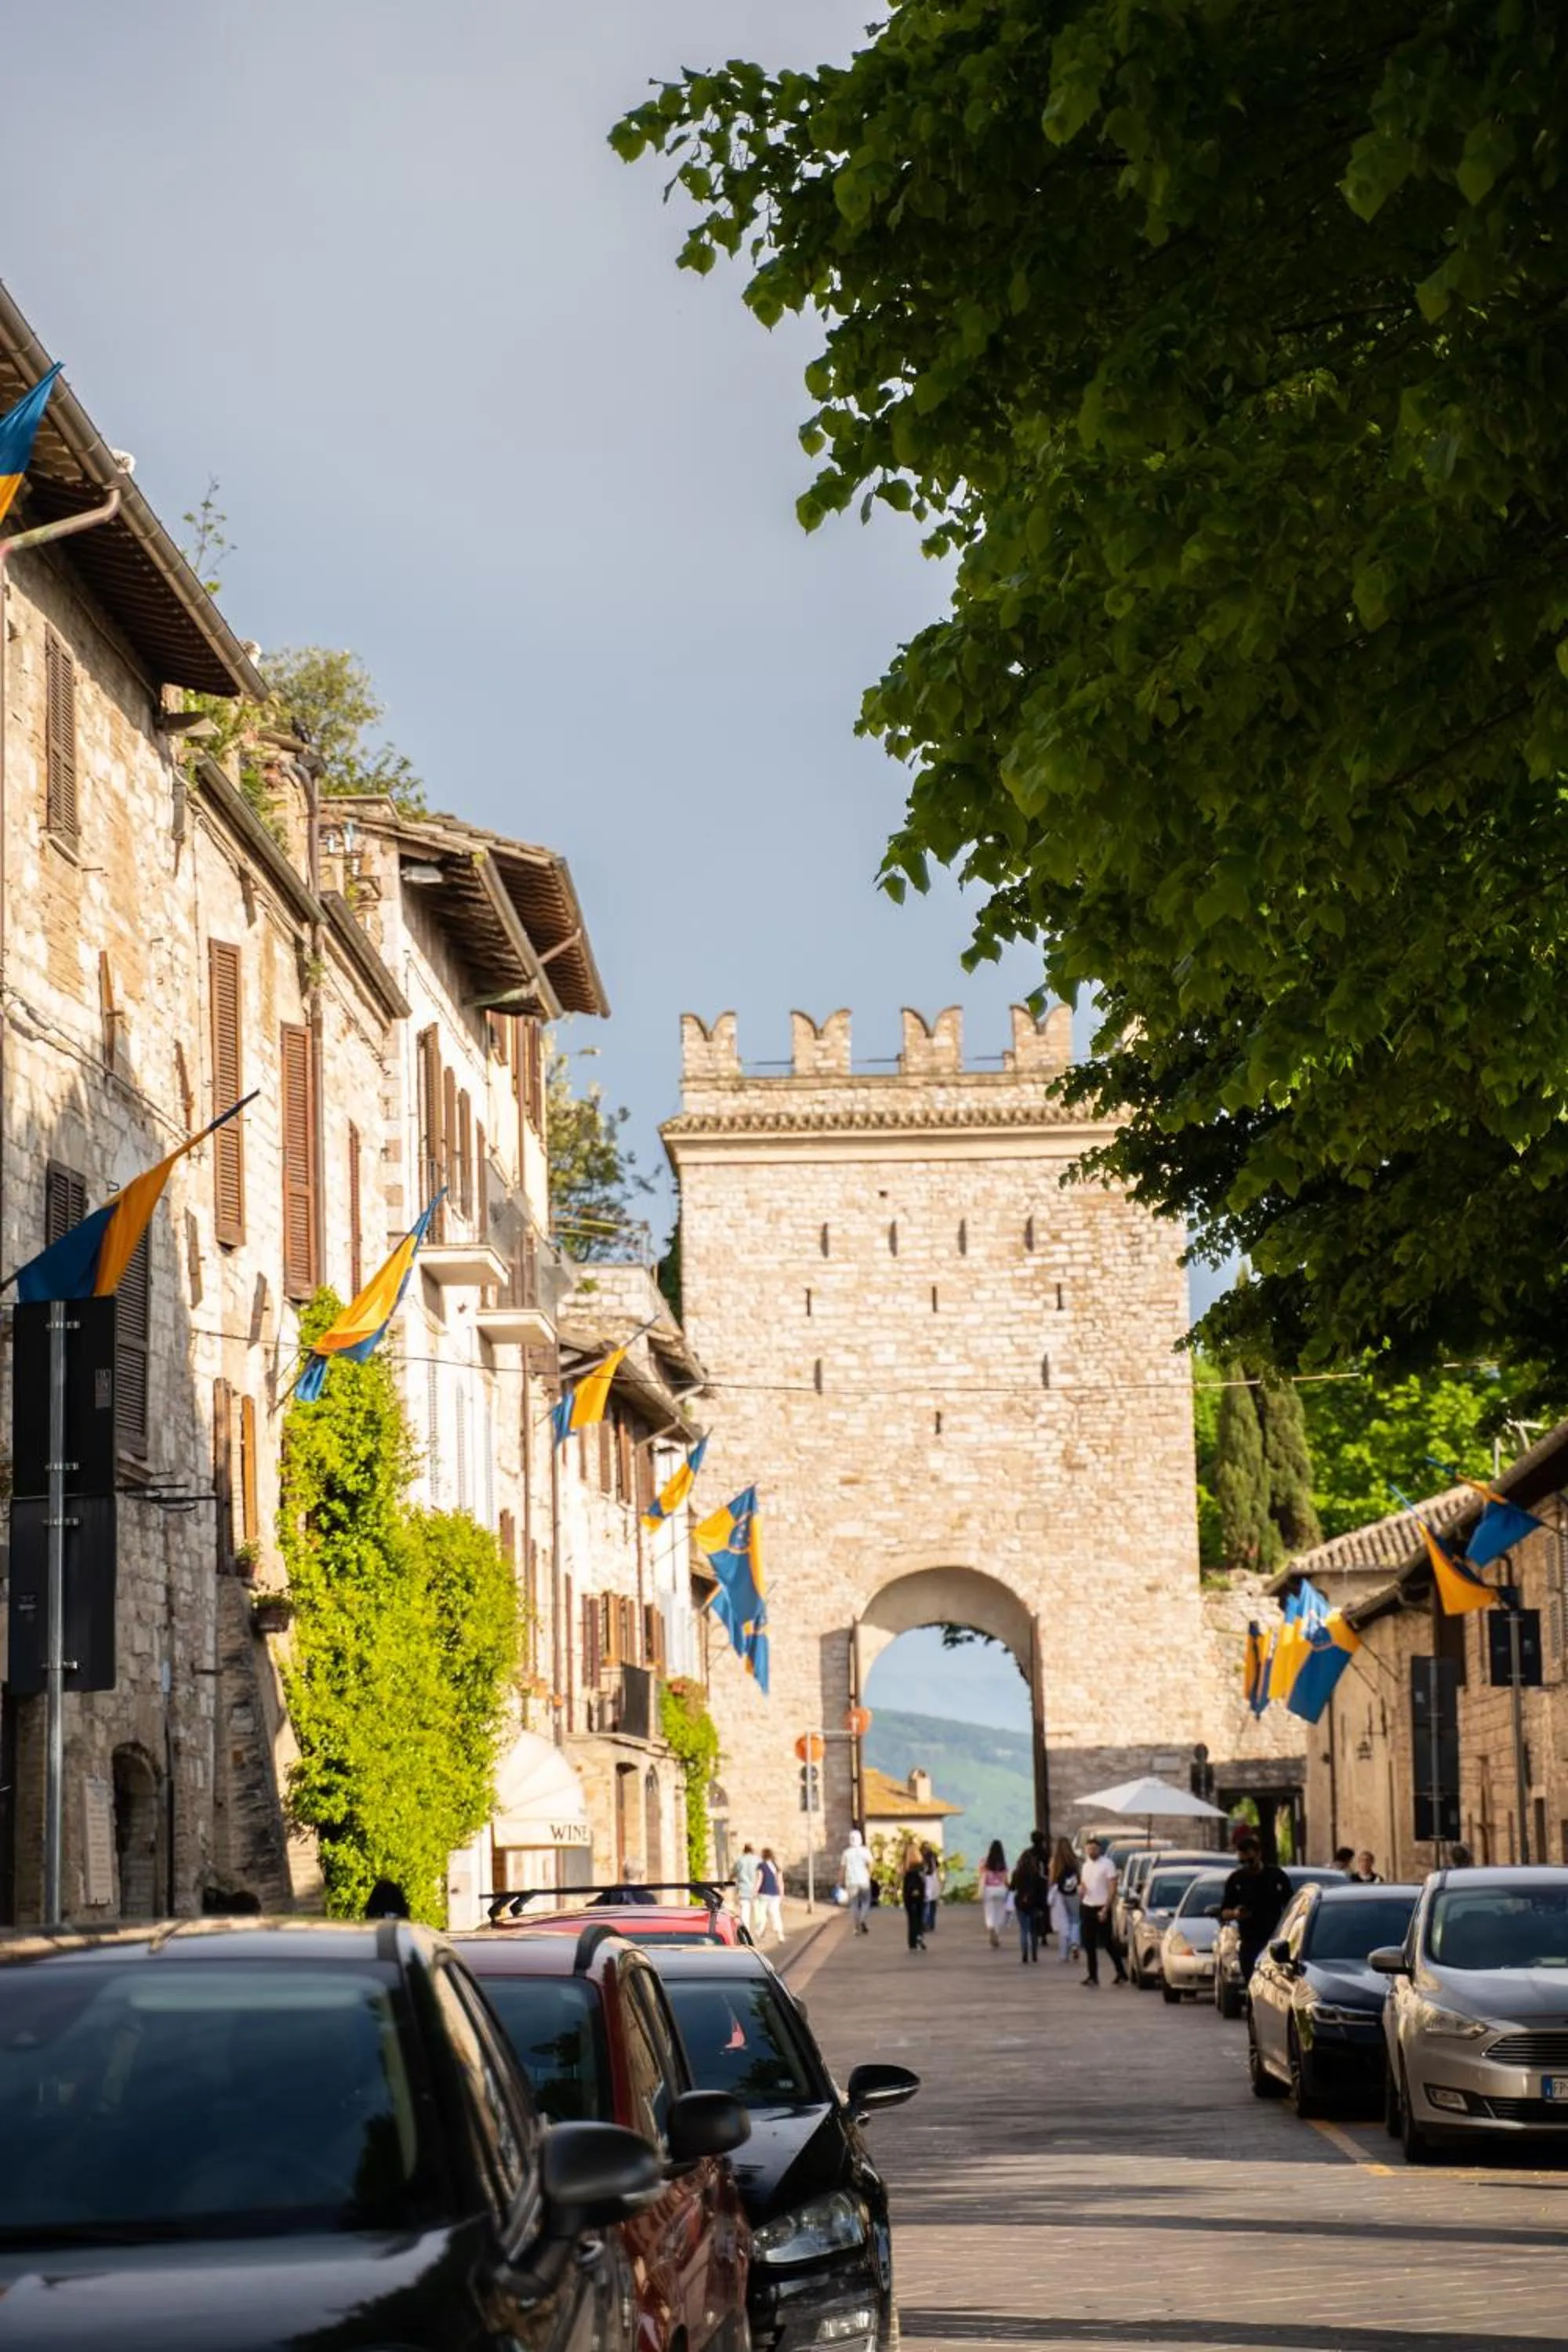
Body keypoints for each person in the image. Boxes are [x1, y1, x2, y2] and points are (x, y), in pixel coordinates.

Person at [1220, 1835, 1294, 1987]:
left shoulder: (1276, 1876)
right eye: (1242, 1862)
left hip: (1275, 1940)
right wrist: (1236, 1914)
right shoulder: (1236, 1880)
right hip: (1250, 1941)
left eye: (1250, 1860)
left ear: (1259, 1854)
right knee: (1252, 1983)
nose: (1246, 1865)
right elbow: (1224, 1911)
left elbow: (1291, 1906)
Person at [1079, 1837, 1127, 1987]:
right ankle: (1092, 1975)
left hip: (1101, 1906)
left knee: (1107, 1943)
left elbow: (1112, 1887)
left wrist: (1106, 1908)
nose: (1091, 1851)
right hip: (1087, 1906)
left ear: (1099, 1850)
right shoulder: (1086, 1865)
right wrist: (1082, 1891)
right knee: (1089, 1944)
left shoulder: (1107, 1864)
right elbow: (1084, 1883)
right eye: (1089, 1849)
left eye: (1094, 1849)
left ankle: (1121, 1972)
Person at [1011, 1829, 1051, 1964]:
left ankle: (1024, 1954)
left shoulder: (1017, 1873)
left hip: (1020, 1901)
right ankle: (1034, 1953)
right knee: (1034, 1929)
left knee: (1023, 1929)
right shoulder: (1043, 1859)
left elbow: (1012, 1887)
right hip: (1034, 1900)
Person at [1048, 1835, 1081, 1965]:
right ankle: (1075, 1942)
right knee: (1075, 1920)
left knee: (1063, 1923)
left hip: (1059, 1894)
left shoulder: (1054, 1861)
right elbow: (1079, 1876)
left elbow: (1051, 1880)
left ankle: (1063, 1954)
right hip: (1073, 1893)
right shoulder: (1075, 1860)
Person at [839, 1827, 874, 1935]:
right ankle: (863, 1918)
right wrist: (869, 1875)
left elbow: (842, 1869)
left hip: (851, 1881)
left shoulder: (846, 1853)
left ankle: (856, 1928)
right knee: (865, 1902)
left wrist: (840, 1882)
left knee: (854, 1905)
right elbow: (871, 1864)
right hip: (863, 1880)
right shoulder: (865, 1851)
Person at [978, 1839, 1011, 1948]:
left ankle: (991, 1927)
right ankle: (996, 1932)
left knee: (989, 1911)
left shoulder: (985, 1863)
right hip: (1001, 1889)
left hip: (989, 1889)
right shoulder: (1003, 1864)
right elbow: (1006, 1880)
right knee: (1000, 1913)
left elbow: (982, 1876)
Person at [901, 1840, 927, 1953]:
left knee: (911, 1918)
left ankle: (912, 1941)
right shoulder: (921, 1865)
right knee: (920, 1916)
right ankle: (919, 1935)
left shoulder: (905, 1866)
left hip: (908, 1894)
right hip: (920, 1893)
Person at [755, 1847, 785, 1943]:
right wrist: (782, 1893)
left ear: (763, 1855)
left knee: (762, 1913)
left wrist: (755, 1891)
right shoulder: (776, 1866)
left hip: (763, 1892)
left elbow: (760, 1879)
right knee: (775, 1914)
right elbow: (780, 1881)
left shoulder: (761, 1865)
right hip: (774, 1893)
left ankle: (759, 1933)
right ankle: (780, 1934)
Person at [733, 1842, 761, 1932]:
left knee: (745, 1912)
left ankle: (746, 1931)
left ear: (744, 1850)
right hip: (756, 1889)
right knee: (758, 1911)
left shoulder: (740, 1860)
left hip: (743, 1889)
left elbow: (734, 1872)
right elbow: (761, 1874)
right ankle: (759, 1930)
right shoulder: (758, 1860)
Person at [921, 1844, 942, 1936]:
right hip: (933, 1884)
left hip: (928, 1884)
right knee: (932, 1905)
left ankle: (925, 1923)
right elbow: (937, 1872)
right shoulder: (933, 1860)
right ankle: (931, 1924)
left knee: (926, 1905)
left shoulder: (924, 1862)